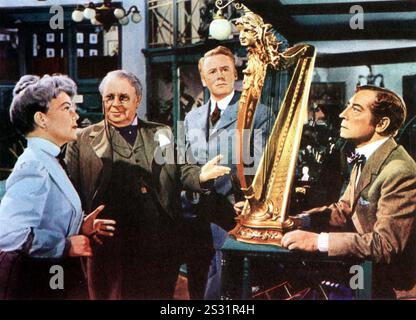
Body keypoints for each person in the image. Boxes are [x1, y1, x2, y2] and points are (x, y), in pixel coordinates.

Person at [64, 69, 230, 300]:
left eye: (123, 97)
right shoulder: (82, 140)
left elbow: (182, 168)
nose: (115, 104)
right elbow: (68, 192)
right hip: (108, 244)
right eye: (109, 98)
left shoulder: (161, 132)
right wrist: (82, 223)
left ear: (137, 100)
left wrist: (200, 176)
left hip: (158, 243)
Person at [277, 85, 416, 299]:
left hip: (392, 289)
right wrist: (300, 221)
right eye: (348, 106)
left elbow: (385, 245)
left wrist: (318, 242)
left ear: (381, 123)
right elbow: (344, 209)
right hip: (365, 275)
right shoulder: (368, 155)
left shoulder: (399, 171)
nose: (343, 114)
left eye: (356, 109)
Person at [0, 74, 114, 300]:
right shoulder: (34, 164)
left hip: (55, 276)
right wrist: (64, 245)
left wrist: (79, 226)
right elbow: (9, 233)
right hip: (40, 280)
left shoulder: (48, 159)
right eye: (66, 108)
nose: (76, 115)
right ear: (41, 119)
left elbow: (46, 218)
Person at [182, 46, 271, 299]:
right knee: (197, 284)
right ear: (203, 79)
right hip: (195, 215)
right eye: (213, 71)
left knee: (224, 287)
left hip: (231, 214)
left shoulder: (257, 113)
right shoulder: (192, 118)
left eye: (225, 69)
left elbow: (259, 166)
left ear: (235, 74)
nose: (219, 75)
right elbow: (185, 164)